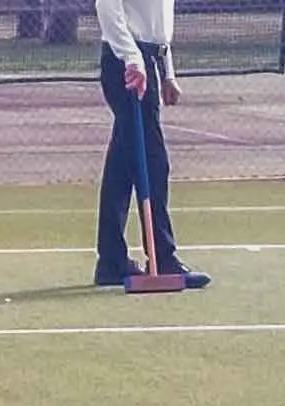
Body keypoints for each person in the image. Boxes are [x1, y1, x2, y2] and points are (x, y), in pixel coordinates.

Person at [94, 0, 211, 289]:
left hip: (149, 59)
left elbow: (158, 23)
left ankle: (110, 260)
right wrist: (133, 59)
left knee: (122, 167)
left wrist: (167, 72)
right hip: (127, 61)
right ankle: (163, 257)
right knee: (153, 162)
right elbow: (107, 7)